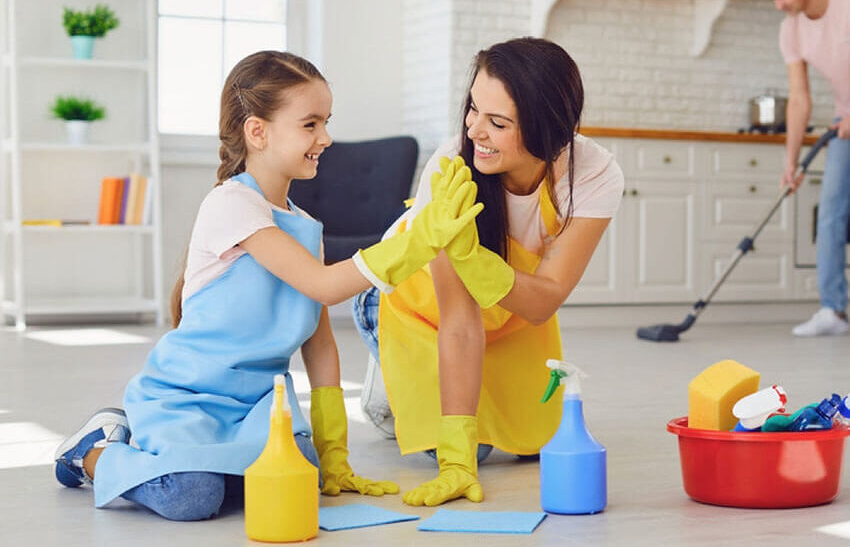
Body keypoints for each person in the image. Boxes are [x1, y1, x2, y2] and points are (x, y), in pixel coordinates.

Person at [53, 50, 483, 521]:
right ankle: (94, 450)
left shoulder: (306, 227)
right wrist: (416, 241)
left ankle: (193, 460)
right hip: (190, 399)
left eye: (326, 122)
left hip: (258, 406)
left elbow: (320, 343)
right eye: (310, 124)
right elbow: (324, 286)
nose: (325, 138)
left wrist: (333, 454)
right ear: (257, 132)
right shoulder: (232, 205)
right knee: (192, 496)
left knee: (299, 477)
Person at [353, 37, 624, 507]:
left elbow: (544, 300)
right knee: (472, 448)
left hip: (507, 313)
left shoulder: (594, 174)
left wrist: (477, 262)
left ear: (548, 131)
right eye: (473, 110)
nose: (475, 130)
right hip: (414, 307)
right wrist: (457, 459)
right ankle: (384, 394)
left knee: (535, 441)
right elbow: (458, 320)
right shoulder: (451, 167)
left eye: (497, 123)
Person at [773, 0, 850, 336]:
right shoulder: (791, 29)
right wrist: (791, 162)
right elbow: (799, 98)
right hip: (843, 123)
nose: (778, 5)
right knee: (831, 212)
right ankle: (833, 310)